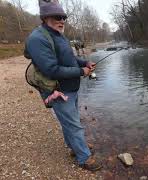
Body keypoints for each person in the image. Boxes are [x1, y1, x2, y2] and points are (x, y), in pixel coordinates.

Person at [25, 0, 102, 171]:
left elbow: (70, 59)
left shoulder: (59, 34)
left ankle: (74, 147)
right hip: (58, 91)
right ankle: (84, 158)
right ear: (45, 17)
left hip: (71, 88)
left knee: (69, 122)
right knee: (74, 125)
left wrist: (85, 62)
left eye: (64, 17)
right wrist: (82, 72)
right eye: (58, 17)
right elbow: (52, 69)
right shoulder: (37, 39)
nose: (62, 20)